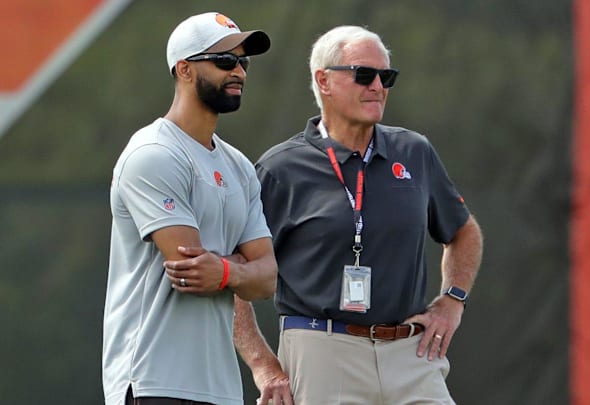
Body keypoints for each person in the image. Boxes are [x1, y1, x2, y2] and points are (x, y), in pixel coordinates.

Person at [241, 25, 483, 404]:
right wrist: (264, 367)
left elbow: (464, 232)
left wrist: (452, 299)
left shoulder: (413, 151)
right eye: (363, 75)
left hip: (411, 352)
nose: (377, 86)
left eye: (386, 77)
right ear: (324, 81)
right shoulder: (280, 168)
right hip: (321, 350)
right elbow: (235, 274)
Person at [102, 12, 291, 405]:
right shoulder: (154, 153)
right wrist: (241, 267)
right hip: (154, 381)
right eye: (224, 61)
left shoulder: (239, 166)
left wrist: (224, 268)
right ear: (184, 70)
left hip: (220, 388)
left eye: (243, 61)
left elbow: (268, 278)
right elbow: (189, 271)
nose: (238, 71)